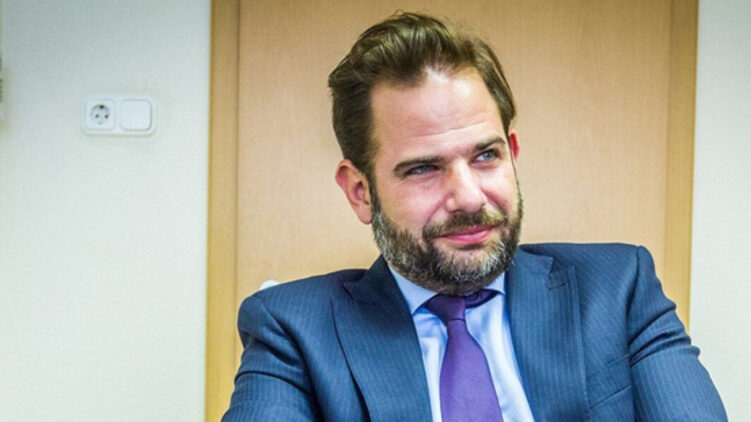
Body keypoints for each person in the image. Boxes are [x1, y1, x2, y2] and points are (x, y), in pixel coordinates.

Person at [223, 12, 726, 422]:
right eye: (423, 168)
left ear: (512, 154)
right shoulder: (295, 331)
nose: (467, 197)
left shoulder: (617, 289)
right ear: (361, 192)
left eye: (486, 156)